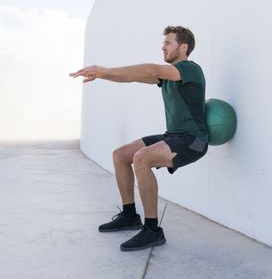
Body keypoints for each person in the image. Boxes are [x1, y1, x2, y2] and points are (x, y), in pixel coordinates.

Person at [70, 26, 208, 251]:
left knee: (142, 158)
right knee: (121, 155)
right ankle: (129, 215)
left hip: (193, 140)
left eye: (168, 42)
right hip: (173, 136)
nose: (163, 46)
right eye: (163, 42)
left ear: (184, 47)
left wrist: (105, 70)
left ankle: (152, 230)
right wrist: (103, 74)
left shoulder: (190, 69)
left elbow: (153, 69)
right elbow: (134, 76)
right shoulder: (167, 77)